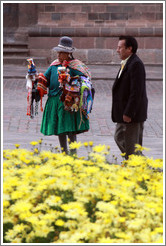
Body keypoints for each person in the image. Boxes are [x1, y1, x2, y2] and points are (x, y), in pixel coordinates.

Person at [40, 36, 91, 154]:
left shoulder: (75, 66)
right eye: (58, 52)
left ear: (68, 53)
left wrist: (71, 80)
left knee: (70, 128)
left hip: (68, 102)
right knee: (60, 129)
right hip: (54, 101)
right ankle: (64, 152)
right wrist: (37, 79)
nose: (58, 55)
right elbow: (46, 78)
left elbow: (85, 78)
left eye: (61, 52)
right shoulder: (54, 65)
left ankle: (73, 154)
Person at [111, 36, 148, 159]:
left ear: (129, 49)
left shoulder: (136, 64)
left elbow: (136, 92)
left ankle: (139, 165)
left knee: (131, 146)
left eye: (120, 47)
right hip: (124, 112)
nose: (117, 50)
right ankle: (136, 163)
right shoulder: (127, 62)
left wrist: (129, 113)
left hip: (132, 114)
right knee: (120, 137)